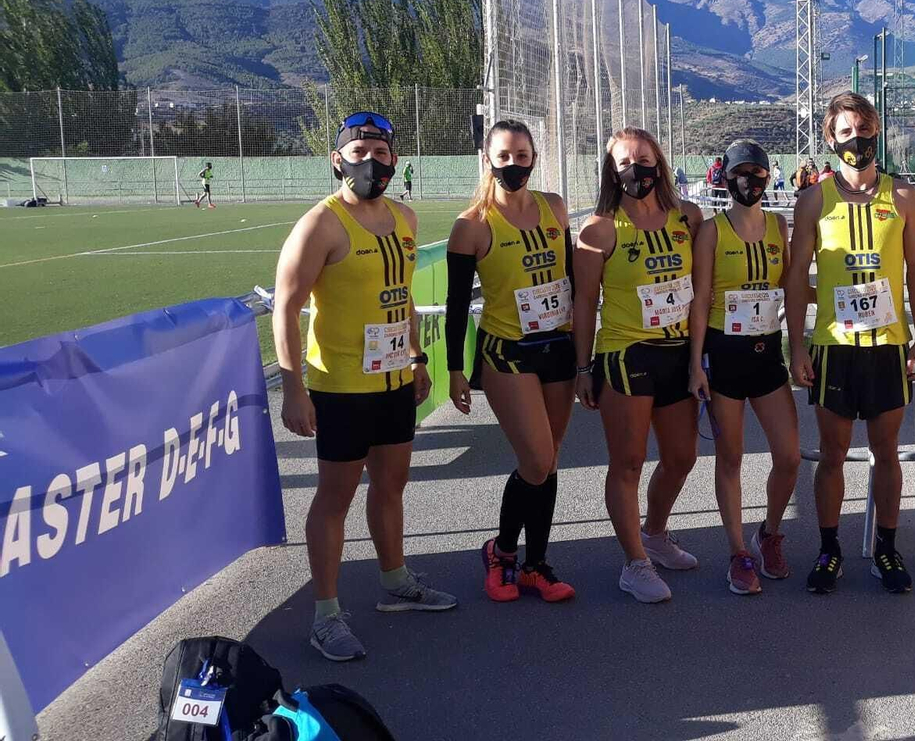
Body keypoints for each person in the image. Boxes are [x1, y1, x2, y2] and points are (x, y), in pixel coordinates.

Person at [272, 112, 456, 662]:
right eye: (358, 152)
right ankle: (326, 615)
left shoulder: (404, 218)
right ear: (337, 160)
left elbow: (399, 298)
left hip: (395, 377)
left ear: (395, 159)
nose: (370, 162)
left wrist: (419, 360)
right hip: (341, 386)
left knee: (392, 483)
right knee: (335, 497)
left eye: (380, 151)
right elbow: (286, 308)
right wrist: (293, 388)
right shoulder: (321, 226)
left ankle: (395, 582)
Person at [786, 92, 915, 594]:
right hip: (833, 347)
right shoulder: (814, 200)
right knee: (833, 453)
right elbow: (794, 277)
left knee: (886, 452)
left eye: (864, 130)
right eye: (846, 133)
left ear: (878, 133)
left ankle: (887, 550)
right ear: (830, 139)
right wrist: (797, 345)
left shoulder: (904, 197)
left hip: (888, 346)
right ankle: (829, 550)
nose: (857, 140)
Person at [444, 119, 577, 604]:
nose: (514, 165)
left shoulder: (553, 207)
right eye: (504, 156)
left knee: (549, 459)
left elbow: (574, 282)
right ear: (488, 159)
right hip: (507, 352)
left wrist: (583, 354)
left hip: (558, 346)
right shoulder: (472, 225)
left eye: (522, 156)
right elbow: (456, 305)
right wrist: (455, 368)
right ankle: (501, 553)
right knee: (537, 460)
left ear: (534, 158)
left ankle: (535, 564)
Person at [574, 127, 705, 603]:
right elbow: (585, 303)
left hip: (678, 353)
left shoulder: (687, 218)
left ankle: (654, 532)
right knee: (628, 462)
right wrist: (582, 368)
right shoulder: (600, 228)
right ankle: (635, 562)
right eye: (625, 163)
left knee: (682, 458)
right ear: (611, 171)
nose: (637, 170)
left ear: (660, 163)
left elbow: (702, 291)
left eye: (645, 160)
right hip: (627, 354)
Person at [687, 140, 801, 595]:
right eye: (740, 173)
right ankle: (738, 552)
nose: (749, 181)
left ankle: (769, 534)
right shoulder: (714, 231)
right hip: (725, 355)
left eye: (757, 173)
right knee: (730, 458)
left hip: (768, 354)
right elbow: (699, 301)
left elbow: (790, 288)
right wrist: (696, 364)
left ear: (769, 177)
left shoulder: (777, 225)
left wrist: (798, 350)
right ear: (725, 177)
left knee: (789, 456)